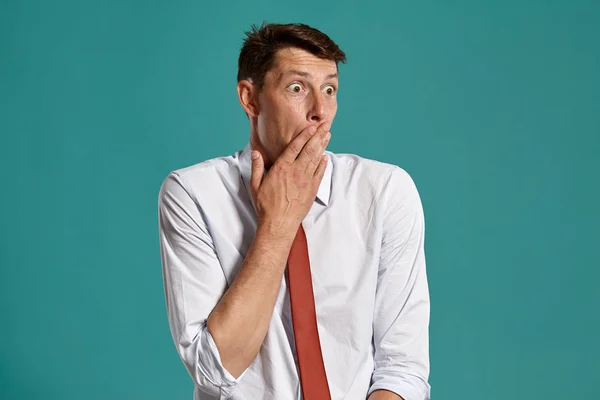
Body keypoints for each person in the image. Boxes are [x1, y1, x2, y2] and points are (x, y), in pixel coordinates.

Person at [158, 22, 431, 400]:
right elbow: (215, 372)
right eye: (297, 88)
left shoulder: (384, 191)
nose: (320, 111)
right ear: (250, 99)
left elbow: (401, 369)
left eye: (330, 89)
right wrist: (278, 224)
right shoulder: (193, 194)